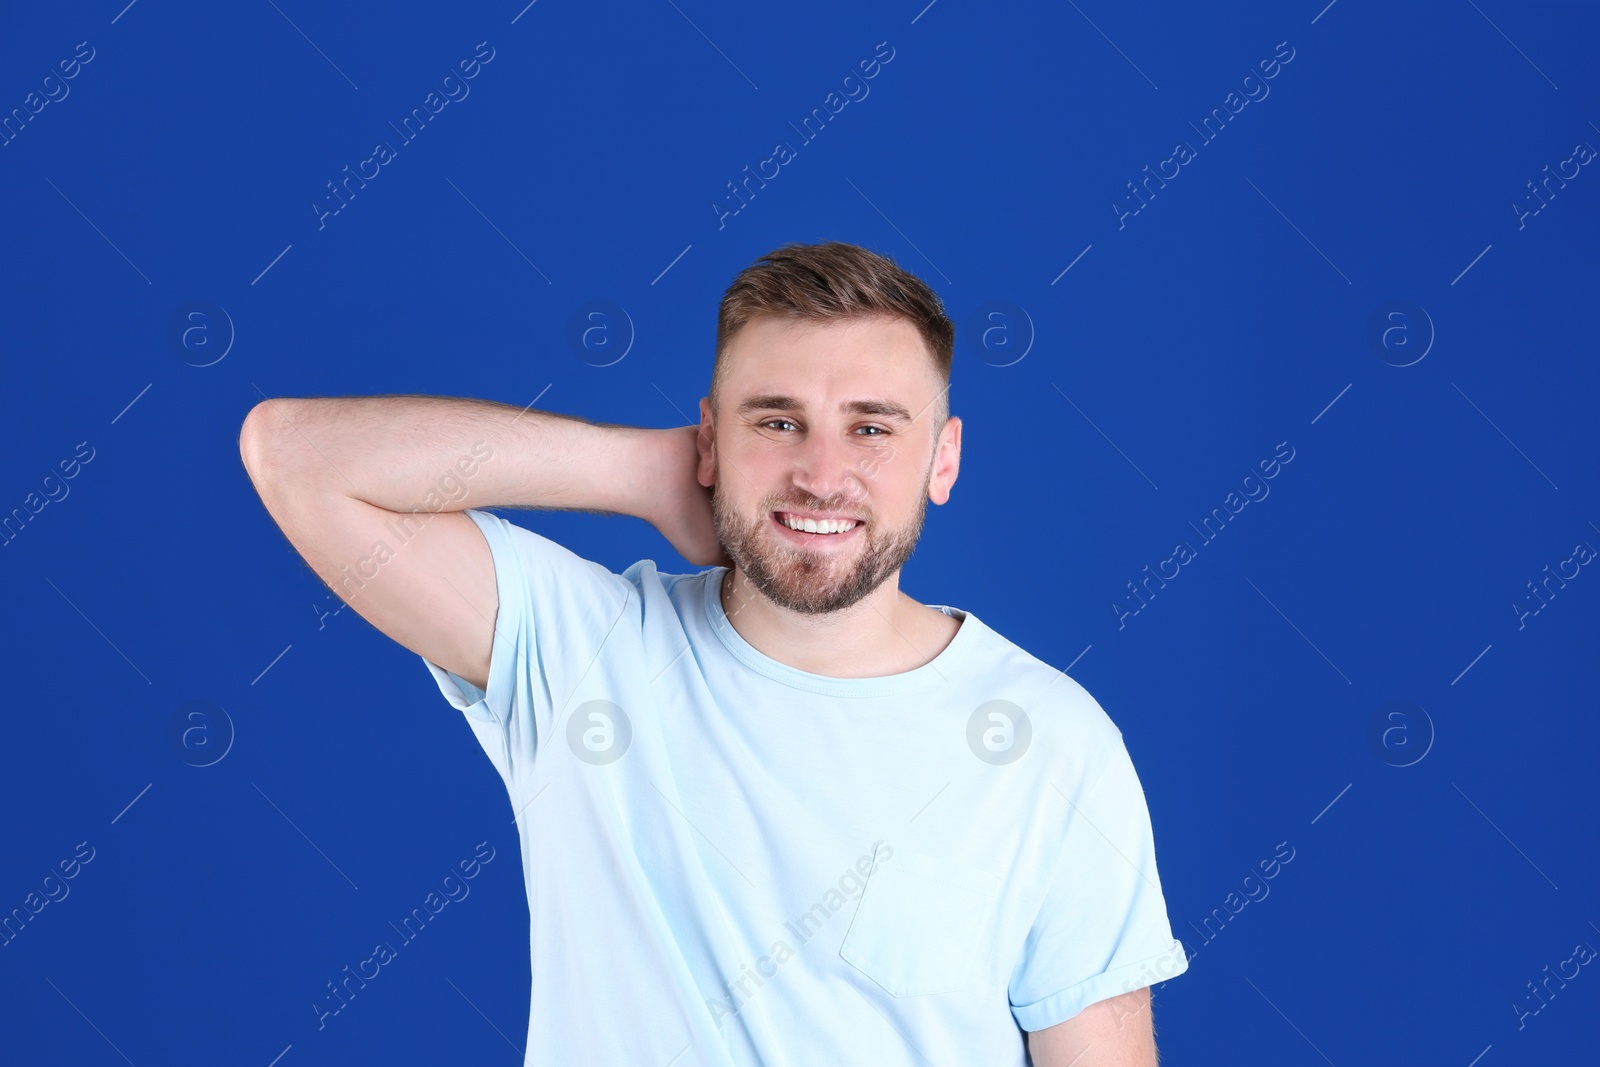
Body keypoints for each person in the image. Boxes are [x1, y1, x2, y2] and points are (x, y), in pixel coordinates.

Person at [239, 240, 1188, 1065]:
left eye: (872, 428)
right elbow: (295, 458)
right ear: (710, 438)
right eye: (776, 422)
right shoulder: (583, 654)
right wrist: (641, 471)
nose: (821, 474)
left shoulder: (1052, 745)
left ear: (943, 459)